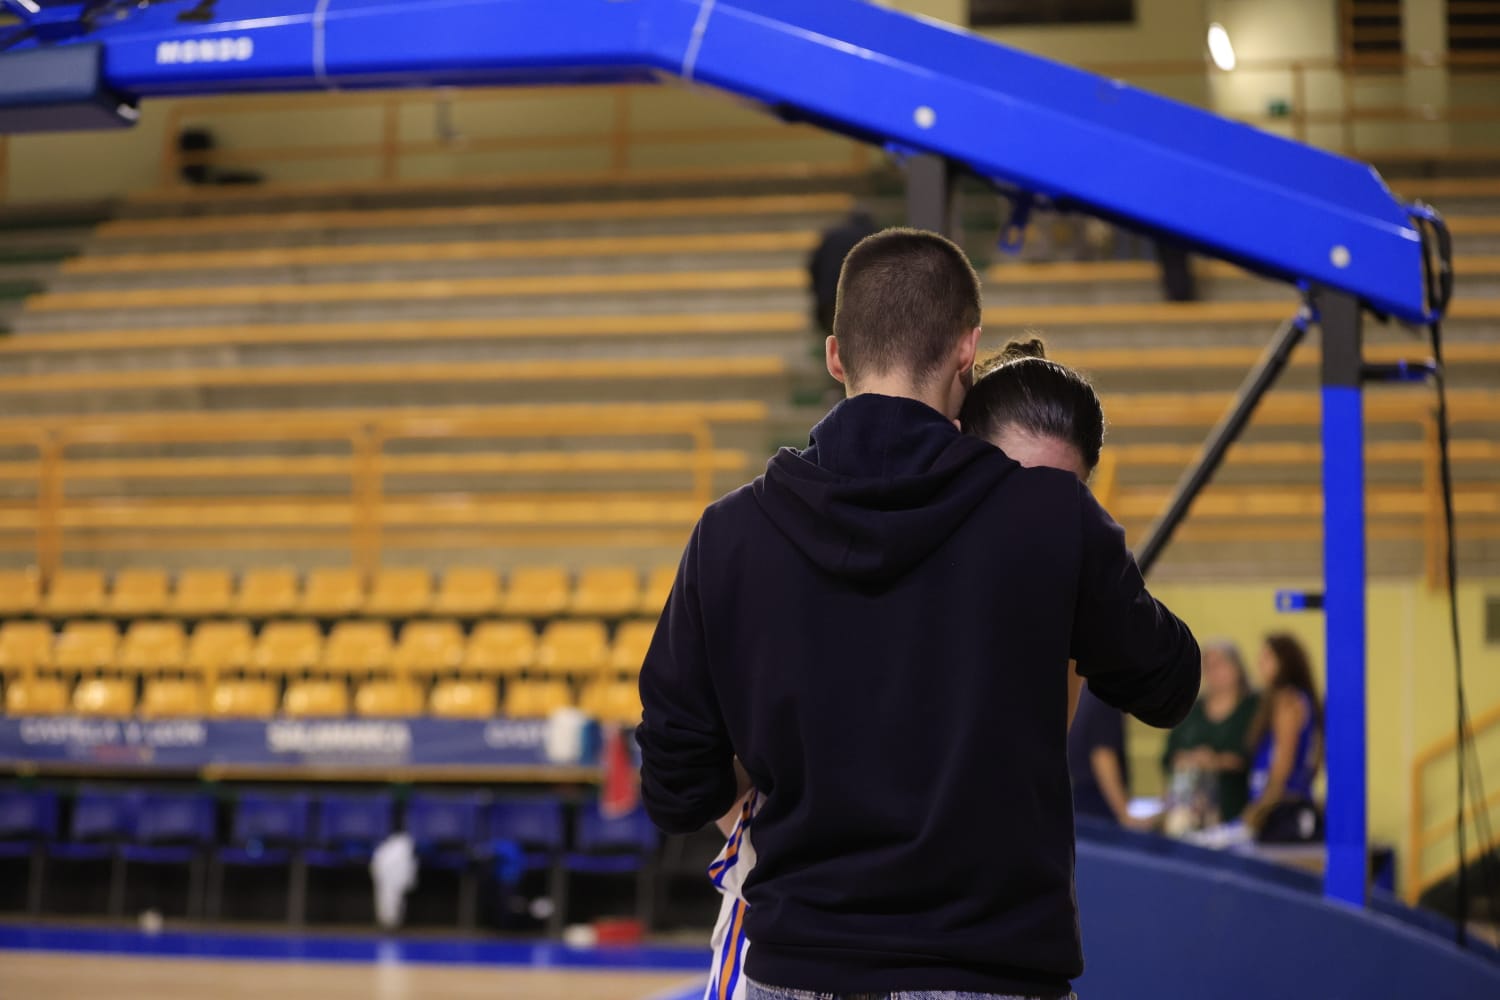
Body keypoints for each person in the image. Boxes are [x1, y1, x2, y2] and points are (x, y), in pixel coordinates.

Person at [638, 228, 1200, 1000]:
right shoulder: (1049, 518)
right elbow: (1170, 683)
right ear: (968, 350)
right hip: (991, 971)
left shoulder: (729, 534)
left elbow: (676, 789)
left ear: (836, 355)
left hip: (796, 963)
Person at [702, 337, 1115, 999]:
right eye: (1018, 482)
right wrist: (758, 834)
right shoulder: (828, 537)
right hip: (805, 936)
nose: (1036, 510)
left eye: (1060, 497)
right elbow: (699, 738)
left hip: (960, 951)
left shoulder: (1049, 588)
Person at [1161, 640, 1259, 823]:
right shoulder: (1191, 709)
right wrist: (1190, 759)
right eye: (1208, 666)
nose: (1213, 672)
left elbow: (1252, 755)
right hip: (1190, 808)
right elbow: (1169, 756)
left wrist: (1214, 761)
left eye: (1219, 664)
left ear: (1236, 667)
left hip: (1236, 807)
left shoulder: (1253, 708)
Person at [1243, 633, 1323, 843]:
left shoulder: (1287, 700)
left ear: (1285, 662)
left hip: (1282, 809)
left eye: (1267, 658)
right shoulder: (1298, 699)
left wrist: (1261, 806)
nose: (1260, 664)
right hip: (1288, 804)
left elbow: (1283, 759)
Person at [807, 208, 878, 335]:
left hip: (830, 298)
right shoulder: (874, 238)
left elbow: (813, 266)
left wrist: (818, 292)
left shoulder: (832, 236)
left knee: (835, 338)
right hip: (860, 301)